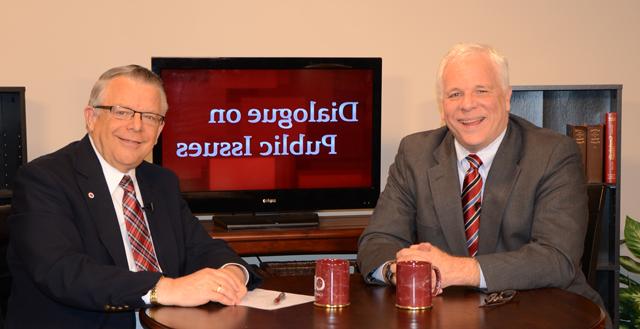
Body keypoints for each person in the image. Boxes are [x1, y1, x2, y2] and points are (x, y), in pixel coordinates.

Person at [357, 43, 608, 323]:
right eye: (455, 94)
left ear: (507, 97)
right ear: (443, 106)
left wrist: (455, 270)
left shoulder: (553, 154)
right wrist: (401, 270)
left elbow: (557, 258)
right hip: (449, 317)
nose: (467, 104)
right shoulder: (415, 154)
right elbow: (376, 241)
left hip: (546, 314)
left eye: (481, 90)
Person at [6, 65, 261, 329]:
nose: (136, 126)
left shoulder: (161, 182)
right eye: (122, 112)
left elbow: (200, 247)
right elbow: (63, 272)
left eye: (150, 117)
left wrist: (233, 273)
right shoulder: (44, 179)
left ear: (160, 130)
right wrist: (166, 289)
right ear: (91, 117)